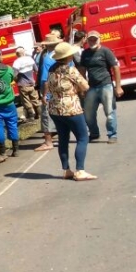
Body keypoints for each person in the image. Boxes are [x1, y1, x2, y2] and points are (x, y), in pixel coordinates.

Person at [45, 42, 96, 181]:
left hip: (55, 108)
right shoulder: (70, 70)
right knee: (82, 137)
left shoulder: (51, 69)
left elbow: (48, 86)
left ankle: (66, 169)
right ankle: (80, 170)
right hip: (71, 107)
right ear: (68, 56)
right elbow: (85, 86)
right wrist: (77, 89)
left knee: (63, 139)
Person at [78, 30, 122, 144]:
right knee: (88, 113)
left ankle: (112, 135)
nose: (92, 41)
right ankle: (94, 133)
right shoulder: (85, 53)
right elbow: (82, 70)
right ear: (87, 40)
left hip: (106, 85)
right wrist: (82, 87)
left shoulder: (105, 51)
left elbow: (115, 67)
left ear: (99, 39)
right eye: (90, 39)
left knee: (109, 112)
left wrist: (118, 87)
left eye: (94, 39)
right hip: (91, 87)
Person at [35, 33, 62, 152]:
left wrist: (44, 95)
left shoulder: (47, 58)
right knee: (61, 114)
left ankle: (48, 142)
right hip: (62, 89)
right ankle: (63, 137)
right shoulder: (63, 56)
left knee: (46, 116)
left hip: (50, 91)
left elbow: (45, 79)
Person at [12, 46, 40, 121]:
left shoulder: (16, 62)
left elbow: (14, 75)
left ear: (17, 54)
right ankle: (38, 114)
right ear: (23, 52)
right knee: (35, 99)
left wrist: (17, 80)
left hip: (22, 85)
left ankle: (31, 116)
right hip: (32, 83)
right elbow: (36, 70)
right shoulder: (30, 59)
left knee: (26, 101)